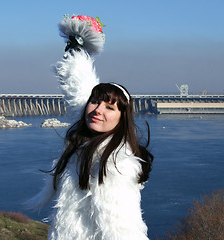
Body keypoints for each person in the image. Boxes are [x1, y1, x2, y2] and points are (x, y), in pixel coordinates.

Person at [27, 82, 153, 240]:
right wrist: (77, 60)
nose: (98, 110)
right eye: (94, 102)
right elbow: (76, 95)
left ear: (122, 118)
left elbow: (122, 230)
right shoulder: (83, 147)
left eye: (110, 107)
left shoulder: (115, 165)